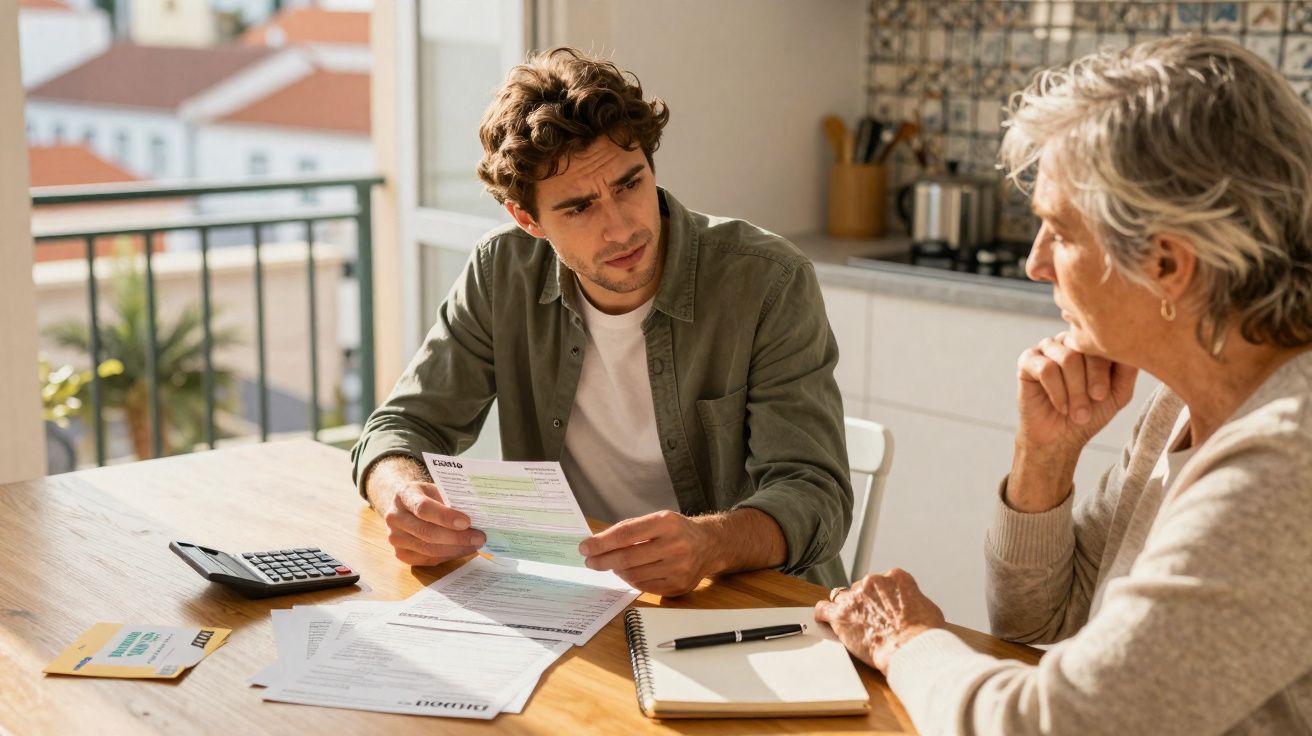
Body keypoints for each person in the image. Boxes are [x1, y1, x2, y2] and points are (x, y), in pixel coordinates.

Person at [815, 36, 1312, 734]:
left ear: (1168, 264)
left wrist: (902, 641)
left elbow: (1051, 727)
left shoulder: (1286, 464)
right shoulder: (1183, 403)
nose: (1034, 263)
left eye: (1058, 230)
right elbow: (1034, 619)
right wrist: (1046, 455)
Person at [351, 47, 853, 595]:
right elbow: (399, 428)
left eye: (628, 184)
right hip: (574, 595)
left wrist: (710, 543)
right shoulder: (502, 272)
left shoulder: (767, 281)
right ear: (528, 219)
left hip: (745, 603)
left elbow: (815, 492)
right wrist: (405, 497)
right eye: (579, 207)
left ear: (650, 166)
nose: (620, 228)